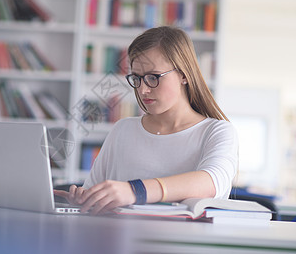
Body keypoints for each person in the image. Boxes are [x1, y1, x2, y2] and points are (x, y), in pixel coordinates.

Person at [54, 26, 238, 215]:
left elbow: (211, 182)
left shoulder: (216, 131)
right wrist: (85, 199)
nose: (142, 90)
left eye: (153, 77)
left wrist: (135, 191)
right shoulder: (123, 130)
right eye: (137, 78)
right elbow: (95, 195)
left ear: (184, 74)